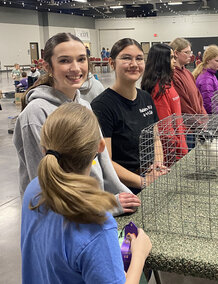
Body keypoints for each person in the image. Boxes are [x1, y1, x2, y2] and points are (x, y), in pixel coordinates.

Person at [21, 103, 152, 284]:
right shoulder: (97, 223)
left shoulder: (33, 190)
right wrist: (139, 254)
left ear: (44, 148)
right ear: (100, 146)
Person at [13, 32, 140, 216]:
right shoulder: (36, 114)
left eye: (81, 59)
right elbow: (46, 187)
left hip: (95, 209)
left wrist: (123, 194)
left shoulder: (85, 106)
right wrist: (107, 206)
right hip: (62, 220)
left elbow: (102, 162)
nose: (76, 68)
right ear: (48, 66)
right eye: (65, 61)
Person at [91, 38, 168, 195]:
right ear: (112, 63)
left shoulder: (146, 97)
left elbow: (155, 138)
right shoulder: (102, 106)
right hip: (124, 191)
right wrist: (143, 182)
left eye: (139, 58)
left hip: (150, 179)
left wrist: (158, 165)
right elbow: (106, 161)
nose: (134, 64)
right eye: (126, 58)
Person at [141, 43, 188, 166]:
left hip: (179, 147)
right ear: (162, 60)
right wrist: (177, 149)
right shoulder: (158, 89)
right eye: (171, 57)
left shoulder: (167, 83)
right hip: (171, 154)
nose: (174, 60)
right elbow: (164, 127)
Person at [170, 38, 207, 148]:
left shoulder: (187, 72)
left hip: (195, 125)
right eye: (186, 52)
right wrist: (199, 123)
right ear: (176, 53)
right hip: (186, 128)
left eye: (190, 52)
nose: (190, 55)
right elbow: (183, 105)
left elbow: (198, 96)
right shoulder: (173, 75)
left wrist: (204, 117)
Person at [193, 45, 218, 114]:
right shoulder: (206, 79)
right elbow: (208, 104)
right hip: (212, 118)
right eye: (217, 61)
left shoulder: (211, 75)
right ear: (208, 60)